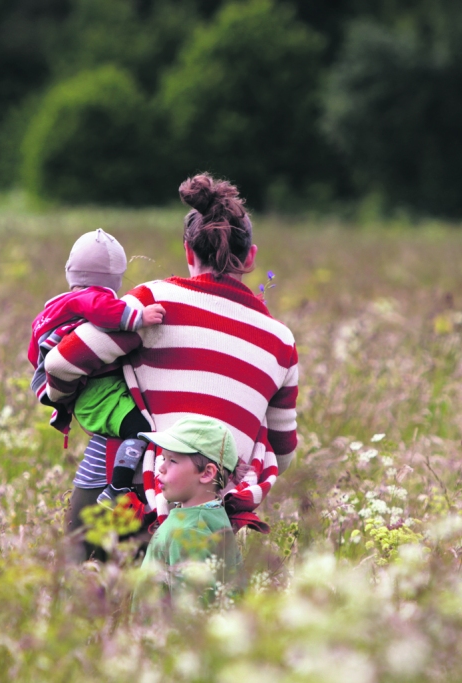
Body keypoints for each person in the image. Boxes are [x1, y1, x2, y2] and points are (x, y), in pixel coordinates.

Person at [43, 173, 299, 548]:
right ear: (252, 257)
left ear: (188, 251)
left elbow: (61, 364)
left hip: (138, 499)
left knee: (89, 594)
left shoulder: (155, 301)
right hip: (215, 514)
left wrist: (67, 400)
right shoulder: (281, 341)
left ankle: (81, 563)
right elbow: (284, 454)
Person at [27, 228, 166, 509]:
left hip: (88, 394)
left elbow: (35, 353)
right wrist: (139, 317)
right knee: (141, 428)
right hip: (98, 393)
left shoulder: (53, 307)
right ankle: (118, 486)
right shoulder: (93, 298)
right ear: (114, 279)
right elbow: (105, 311)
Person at [138, 415, 241, 597]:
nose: (161, 468)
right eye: (163, 459)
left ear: (207, 473)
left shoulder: (189, 532)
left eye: (173, 461)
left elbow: (191, 612)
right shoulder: (209, 516)